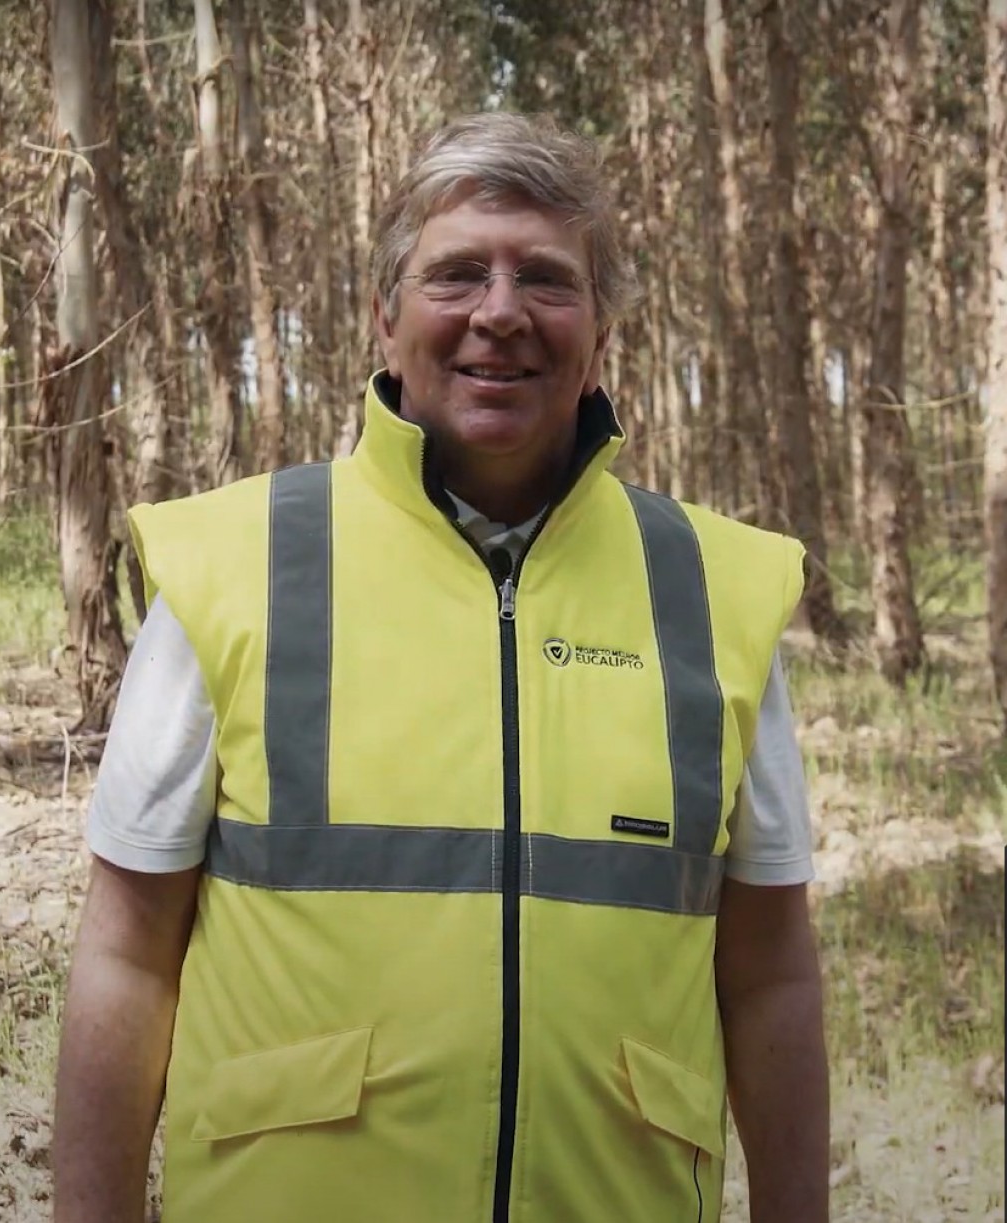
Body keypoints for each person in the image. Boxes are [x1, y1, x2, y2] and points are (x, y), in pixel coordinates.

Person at [52, 111, 829, 1223]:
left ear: (601, 330)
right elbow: (127, 954)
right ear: (386, 317)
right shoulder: (237, 565)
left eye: (548, 281)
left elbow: (770, 979)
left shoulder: (718, 589)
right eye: (457, 272)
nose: (501, 313)